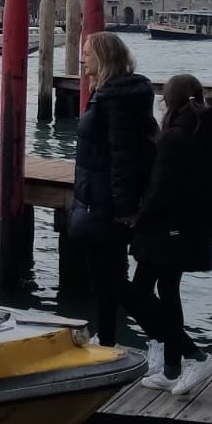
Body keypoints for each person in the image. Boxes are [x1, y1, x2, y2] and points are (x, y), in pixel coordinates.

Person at [132, 73, 212, 394]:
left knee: (140, 293)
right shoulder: (208, 132)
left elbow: (161, 189)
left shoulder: (174, 138)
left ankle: (195, 355)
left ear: (167, 102)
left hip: (168, 228)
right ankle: (171, 368)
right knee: (168, 289)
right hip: (193, 225)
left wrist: (139, 220)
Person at [69, 32, 157, 349]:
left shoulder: (113, 101)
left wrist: (123, 210)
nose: (82, 58)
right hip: (97, 198)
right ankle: (105, 342)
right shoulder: (107, 95)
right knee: (103, 281)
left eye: (88, 53)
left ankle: (180, 346)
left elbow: (123, 157)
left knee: (114, 283)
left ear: (104, 58)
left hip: (106, 205)